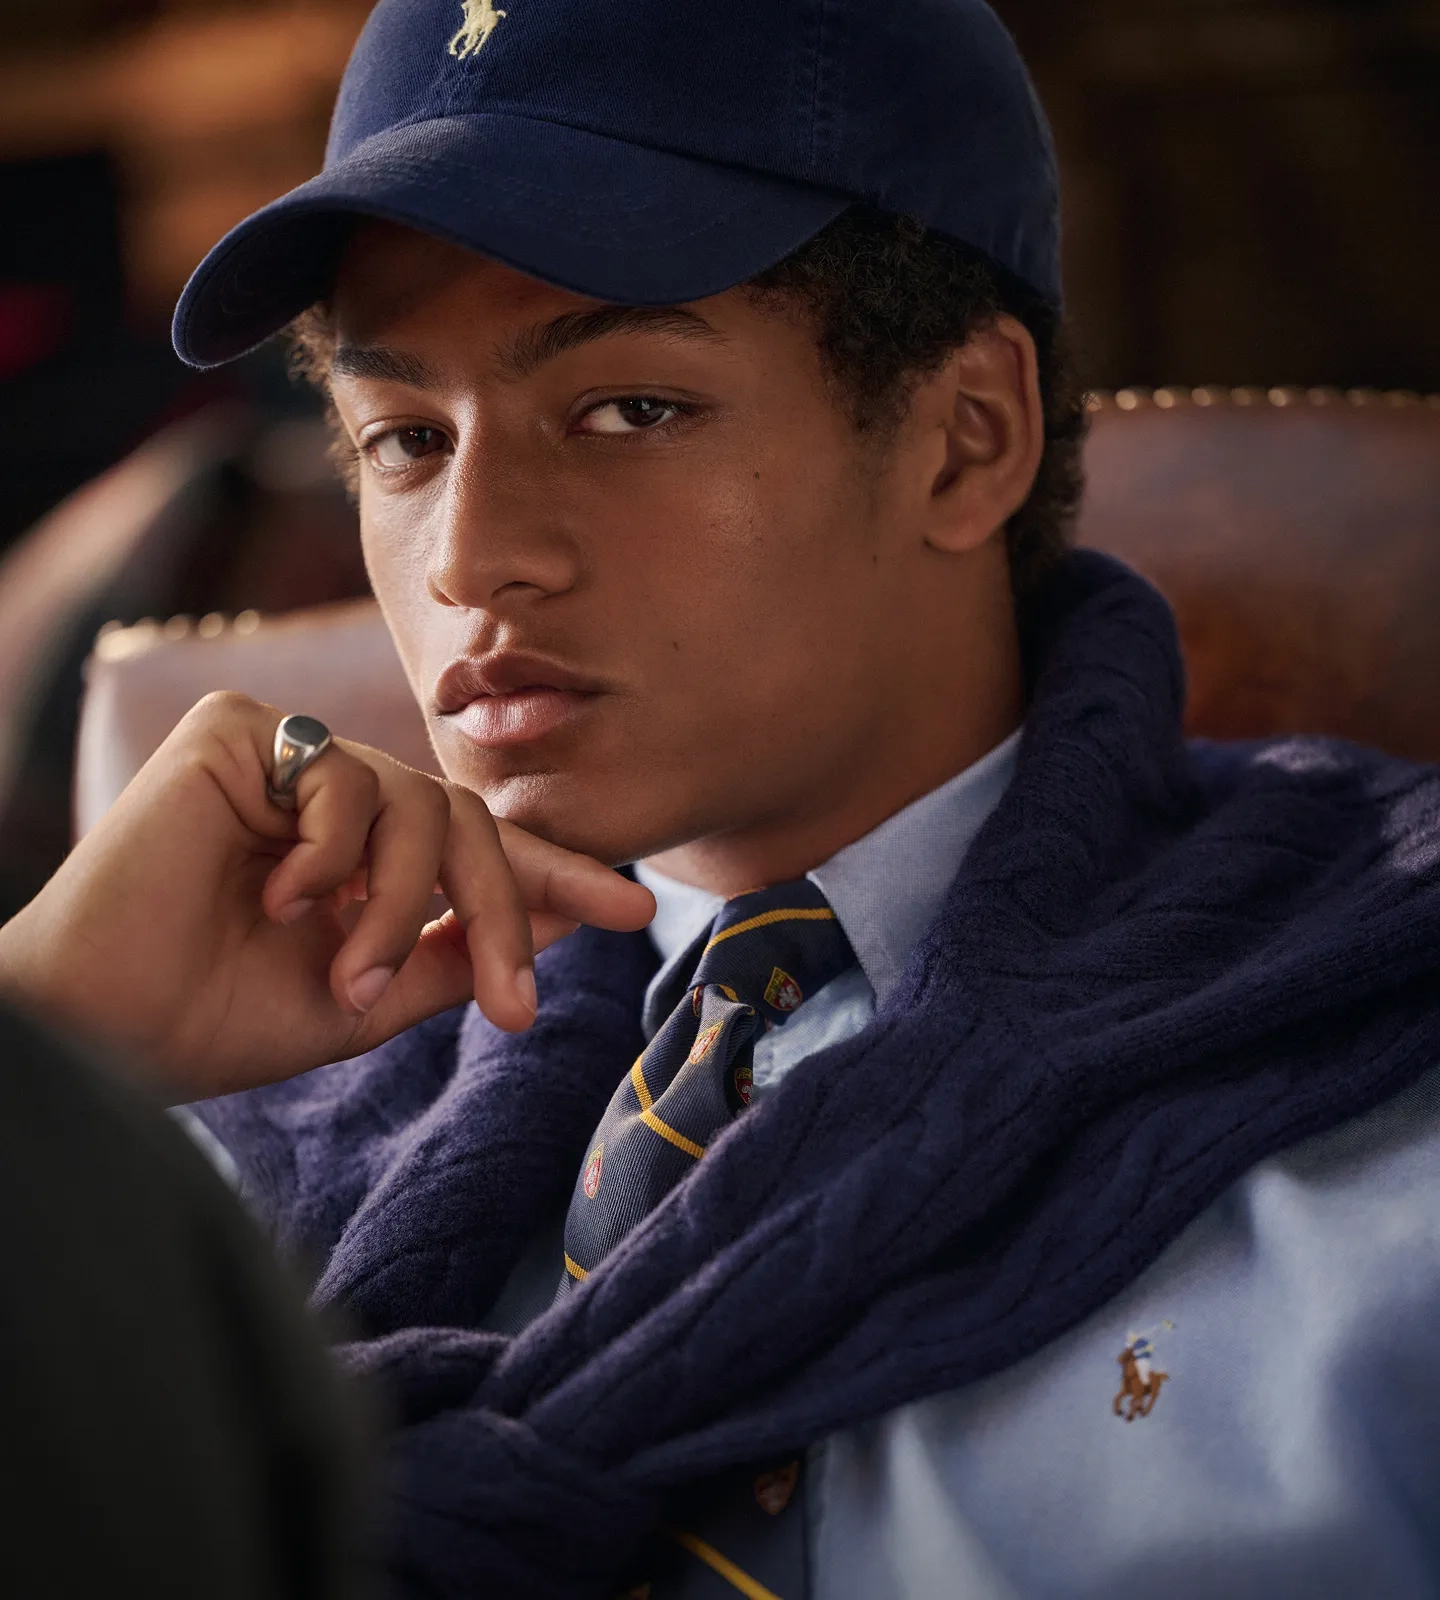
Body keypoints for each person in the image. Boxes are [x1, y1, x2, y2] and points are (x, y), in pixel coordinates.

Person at [4, 0, 1440, 1595]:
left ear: (967, 439)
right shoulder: (193, 1117)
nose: (469, 557)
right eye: (404, 438)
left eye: (630, 410)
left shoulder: (1376, 1080)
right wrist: (43, 1045)